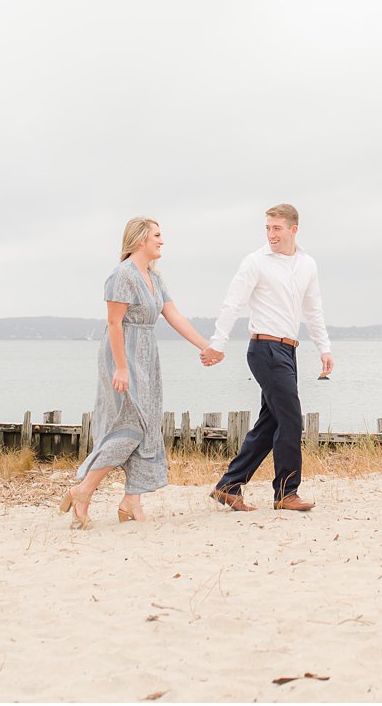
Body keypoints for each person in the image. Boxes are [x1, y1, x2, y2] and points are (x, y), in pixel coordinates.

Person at [59, 217, 212, 529]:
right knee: (131, 425)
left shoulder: (153, 276)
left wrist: (204, 346)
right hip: (123, 354)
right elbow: (115, 324)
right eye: (157, 235)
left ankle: (132, 501)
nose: (162, 240)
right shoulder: (122, 275)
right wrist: (121, 367)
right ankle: (83, 490)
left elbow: (173, 314)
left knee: (148, 422)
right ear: (141, 238)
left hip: (147, 354)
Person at [202, 203, 333, 512]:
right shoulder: (255, 262)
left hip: (289, 350)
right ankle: (286, 493)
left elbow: (313, 310)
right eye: (268, 228)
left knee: (270, 422)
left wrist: (324, 348)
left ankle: (228, 486)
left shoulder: (307, 264)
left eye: (277, 228)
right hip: (264, 349)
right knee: (290, 418)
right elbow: (232, 303)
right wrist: (218, 343)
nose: (272, 234)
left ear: (293, 229)